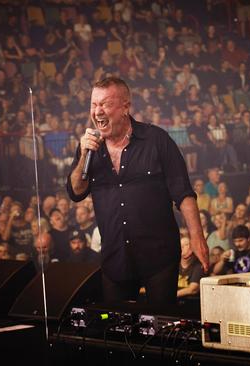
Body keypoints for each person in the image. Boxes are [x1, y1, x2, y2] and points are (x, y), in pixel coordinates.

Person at [67, 77, 208, 306]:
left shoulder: (156, 140)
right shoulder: (90, 149)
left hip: (158, 257)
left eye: (105, 104)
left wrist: (197, 237)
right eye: (94, 105)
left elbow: (183, 193)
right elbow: (76, 192)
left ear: (125, 107)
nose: (97, 111)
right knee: (118, 331)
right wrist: (83, 155)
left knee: (160, 328)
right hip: (116, 259)